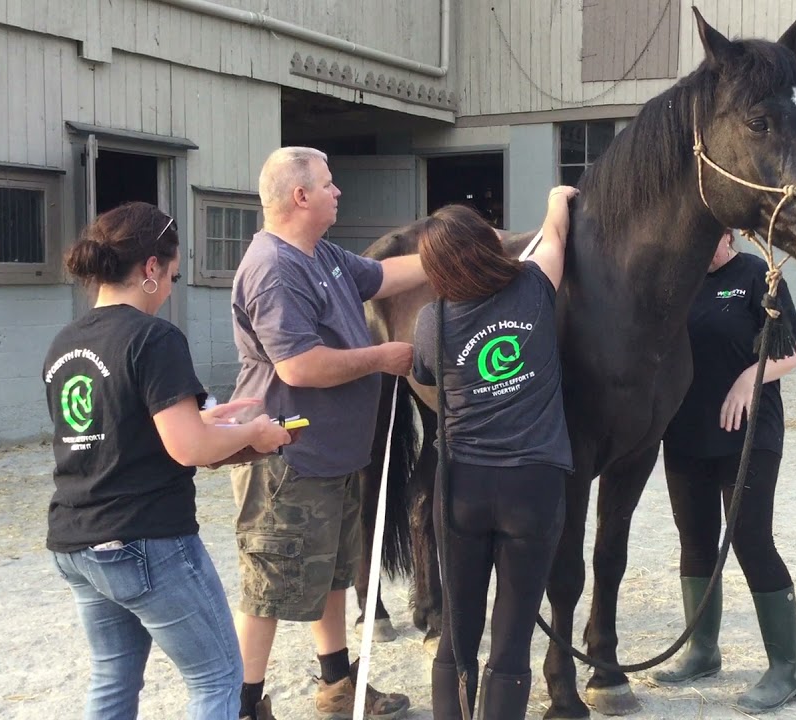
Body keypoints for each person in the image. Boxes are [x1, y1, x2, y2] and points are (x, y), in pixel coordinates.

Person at [43, 201, 292, 720]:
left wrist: (213, 420)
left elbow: (125, 430)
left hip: (77, 537)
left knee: (113, 679)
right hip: (145, 537)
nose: (173, 288)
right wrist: (256, 434)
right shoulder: (154, 337)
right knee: (218, 679)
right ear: (151, 268)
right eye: (174, 275)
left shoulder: (66, 342)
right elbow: (189, 449)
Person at [229, 147, 426, 720]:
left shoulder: (324, 257)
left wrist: (457, 252)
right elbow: (298, 367)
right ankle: (243, 705)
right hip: (288, 457)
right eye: (329, 183)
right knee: (267, 585)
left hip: (332, 455)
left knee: (335, 574)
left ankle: (337, 685)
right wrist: (382, 356)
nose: (338, 192)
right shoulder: (274, 268)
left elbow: (389, 275)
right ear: (300, 196)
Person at [410, 186, 579, 720]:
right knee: (510, 643)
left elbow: (425, 375)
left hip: (462, 485)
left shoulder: (430, 320)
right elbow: (554, 235)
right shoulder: (532, 287)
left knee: (457, 638)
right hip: (533, 484)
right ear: (489, 245)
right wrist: (556, 197)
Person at [652, 229, 796, 714]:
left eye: (706, 243)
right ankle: (702, 651)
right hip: (685, 433)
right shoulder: (677, 282)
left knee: (751, 540)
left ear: (727, 238)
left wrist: (749, 378)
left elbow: (793, 348)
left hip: (749, 435)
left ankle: (788, 667)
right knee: (695, 541)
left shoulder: (757, 278)